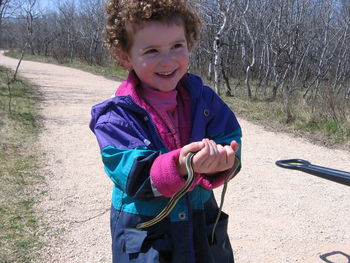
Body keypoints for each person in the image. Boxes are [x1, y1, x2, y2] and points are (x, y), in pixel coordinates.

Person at [89, 0, 242, 262]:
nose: (168, 60)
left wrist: (223, 160)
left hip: (200, 220)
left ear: (189, 42)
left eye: (176, 46)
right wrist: (181, 165)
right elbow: (134, 176)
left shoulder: (204, 100)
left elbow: (229, 139)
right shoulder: (115, 116)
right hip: (146, 230)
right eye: (151, 50)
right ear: (125, 56)